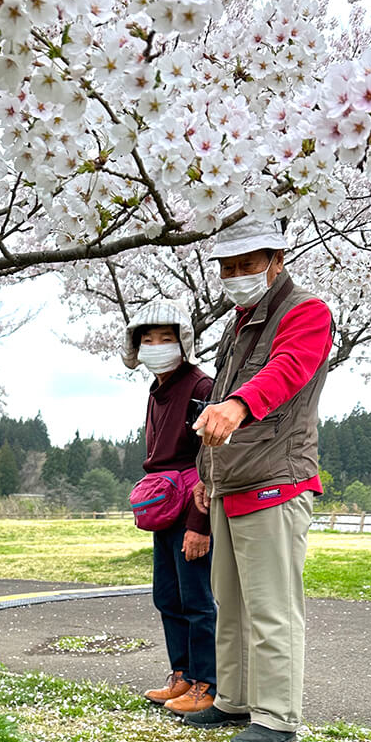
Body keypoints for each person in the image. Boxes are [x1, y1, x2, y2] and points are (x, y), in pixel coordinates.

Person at [188, 216, 334, 742]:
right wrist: (206, 478)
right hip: (230, 479)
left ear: (276, 260)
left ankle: (277, 716)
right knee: (229, 600)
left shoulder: (306, 311)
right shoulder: (239, 320)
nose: (235, 275)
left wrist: (239, 405)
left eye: (246, 265)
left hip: (276, 476)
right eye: (227, 267)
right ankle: (235, 698)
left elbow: (288, 369)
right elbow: (219, 399)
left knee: (272, 605)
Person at [122, 298, 217, 716]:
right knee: (167, 595)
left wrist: (200, 522)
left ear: (184, 341)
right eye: (148, 339)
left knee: (197, 598)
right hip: (164, 505)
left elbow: (211, 458)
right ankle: (180, 674)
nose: (156, 346)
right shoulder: (157, 389)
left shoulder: (201, 387)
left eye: (166, 338)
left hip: (191, 505)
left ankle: (205, 682)